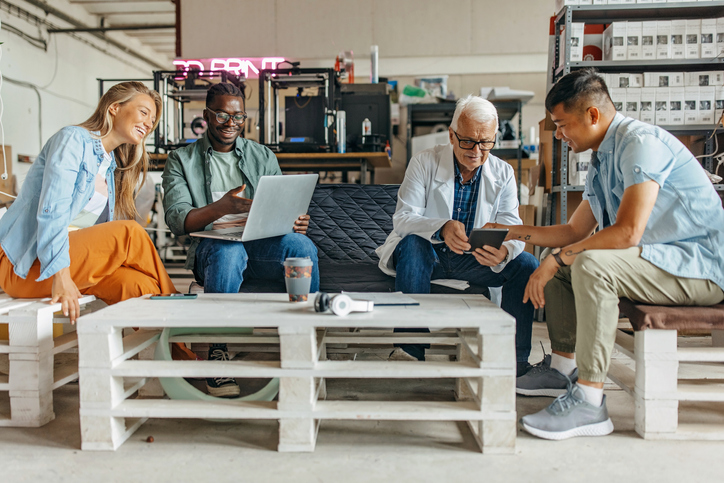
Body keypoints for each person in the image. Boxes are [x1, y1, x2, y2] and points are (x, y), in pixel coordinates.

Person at [491, 68, 724, 440]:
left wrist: (559, 257)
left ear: (592, 115)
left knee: (588, 264)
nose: (559, 135)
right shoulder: (601, 159)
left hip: (700, 267)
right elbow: (573, 231)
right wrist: (514, 231)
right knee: (565, 261)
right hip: (661, 260)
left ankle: (589, 401)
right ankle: (564, 367)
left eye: (562, 125)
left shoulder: (640, 144)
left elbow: (627, 232)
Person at [162, 83, 319, 397]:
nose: (231, 123)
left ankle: (304, 342)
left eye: (238, 117)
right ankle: (218, 352)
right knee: (228, 251)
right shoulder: (181, 159)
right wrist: (222, 208)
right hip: (213, 247)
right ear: (206, 115)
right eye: (222, 115)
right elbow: (178, 220)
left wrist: (293, 220)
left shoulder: (261, 155)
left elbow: (280, 204)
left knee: (301, 246)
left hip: (260, 243)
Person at [376, 95, 539, 374]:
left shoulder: (504, 173)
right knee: (414, 244)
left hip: (474, 259)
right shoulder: (424, 162)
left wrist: (505, 250)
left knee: (526, 265)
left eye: (486, 142)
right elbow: (403, 219)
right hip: (429, 254)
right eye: (468, 141)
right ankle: (410, 349)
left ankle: (514, 361)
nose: (477, 150)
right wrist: (441, 227)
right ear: (452, 135)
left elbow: (512, 225)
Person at [0, 82, 178, 323]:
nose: (149, 123)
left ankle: (182, 355)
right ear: (114, 107)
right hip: (26, 266)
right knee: (130, 233)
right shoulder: (73, 139)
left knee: (140, 286)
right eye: (144, 112)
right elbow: (52, 211)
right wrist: (60, 275)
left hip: (69, 262)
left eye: (153, 119)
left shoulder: (110, 168)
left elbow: (81, 228)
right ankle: (183, 314)